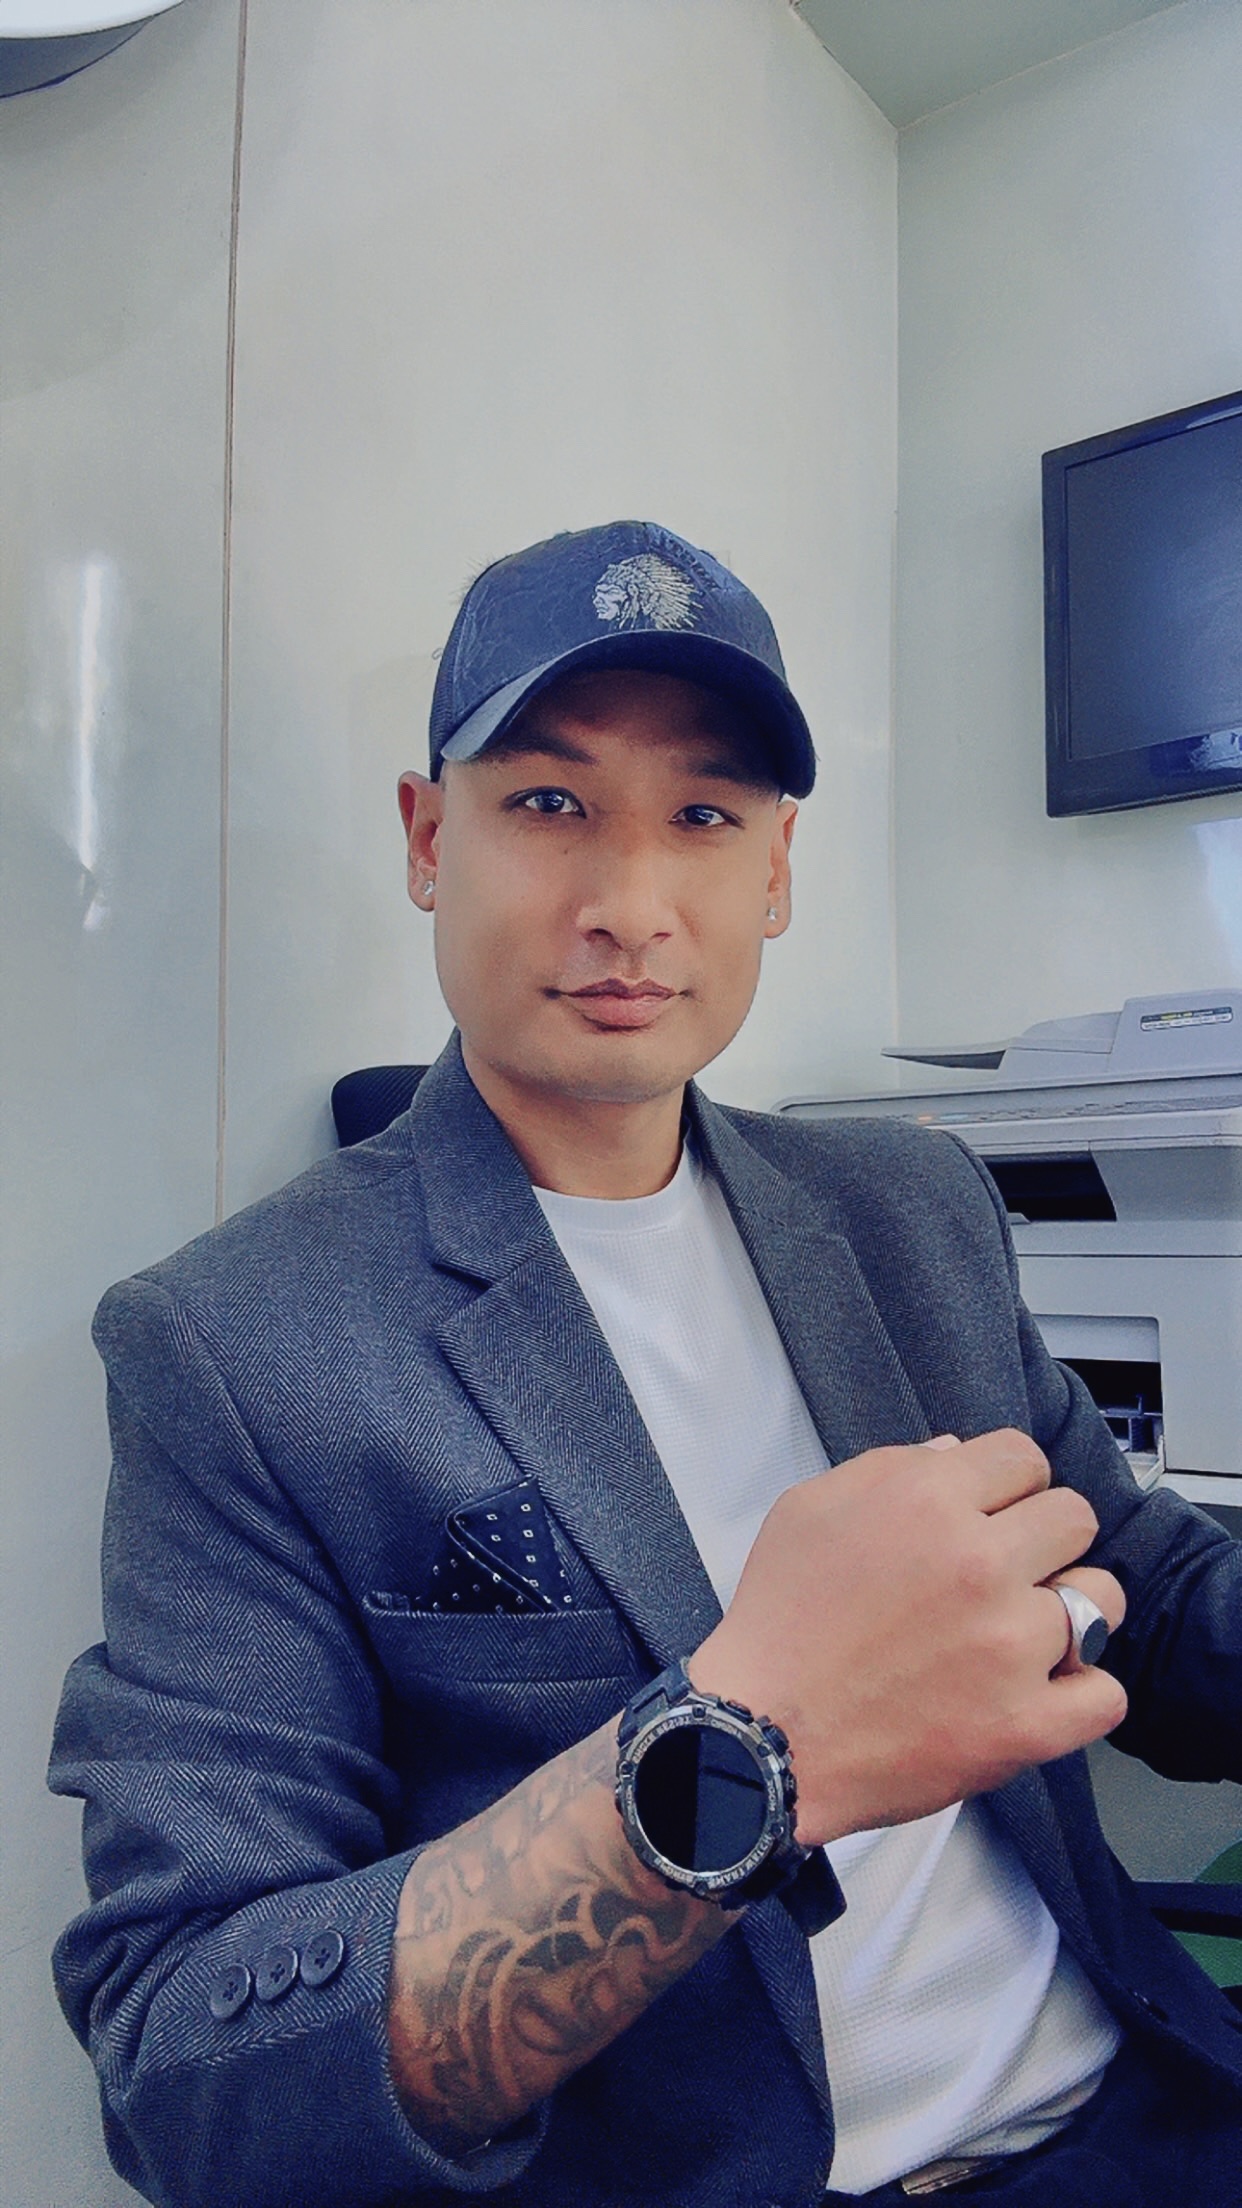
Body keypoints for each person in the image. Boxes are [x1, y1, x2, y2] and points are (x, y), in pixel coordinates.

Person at [50, 521, 1242, 2208]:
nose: (628, 907)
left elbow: (1150, 1596)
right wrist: (745, 1746)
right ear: (427, 838)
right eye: (549, 803)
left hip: (1138, 2116)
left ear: (775, 867)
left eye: (702, 816)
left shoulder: (906, 1208)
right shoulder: (239, 1343)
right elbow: (189, 2071)